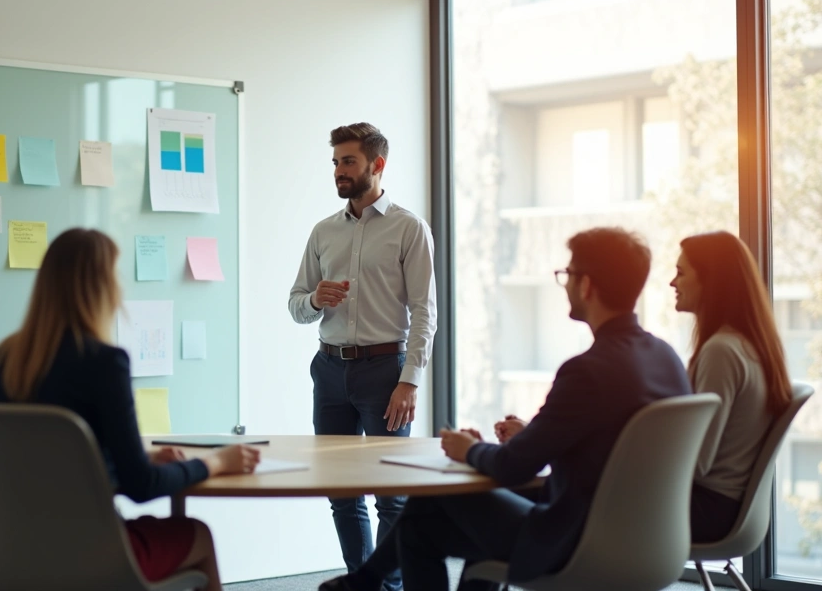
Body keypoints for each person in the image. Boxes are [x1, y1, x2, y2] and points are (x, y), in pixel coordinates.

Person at [321, 227, 690, 591]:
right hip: (647, 538)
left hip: (574, 540)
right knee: (423, 520)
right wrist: (528, 436)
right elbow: (599, 440)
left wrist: (469, 451)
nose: (565, 285)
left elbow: (514, 467)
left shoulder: (587, 371)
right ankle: (365, 581)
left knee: (430, 506)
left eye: (568, 274)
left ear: (587, 285)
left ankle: (364, 580)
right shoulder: (665, 358)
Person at [0, 228, 260, 591]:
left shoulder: (9, 358)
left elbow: (50, 465)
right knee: (198, 534)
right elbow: (141, 487)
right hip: (94, 553)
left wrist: (138, 459)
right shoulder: (104, 362)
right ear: (101, 286)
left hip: (14, 549)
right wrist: (216, 462)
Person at [289, 122, 436, 591]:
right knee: (341, 493)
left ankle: (390, 586)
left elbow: (423, 311)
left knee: (390, 496)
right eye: (335, 162)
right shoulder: (322, 231)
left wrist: (409, 380)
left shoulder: (409, 228)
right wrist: (316, 299)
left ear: (377, 165)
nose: (338, 171)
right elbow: (295, 306)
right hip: (329, 370)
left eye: (348, 161)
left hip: (384, 374)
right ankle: (363, 583)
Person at [671, 231, 793, 542]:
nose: (673, 283)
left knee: (585, 497)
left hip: (708, 508)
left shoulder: (721, 351)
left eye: (681, 273)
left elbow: (697, 463)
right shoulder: (751, 345)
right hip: (730, 508)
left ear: (710, 282)